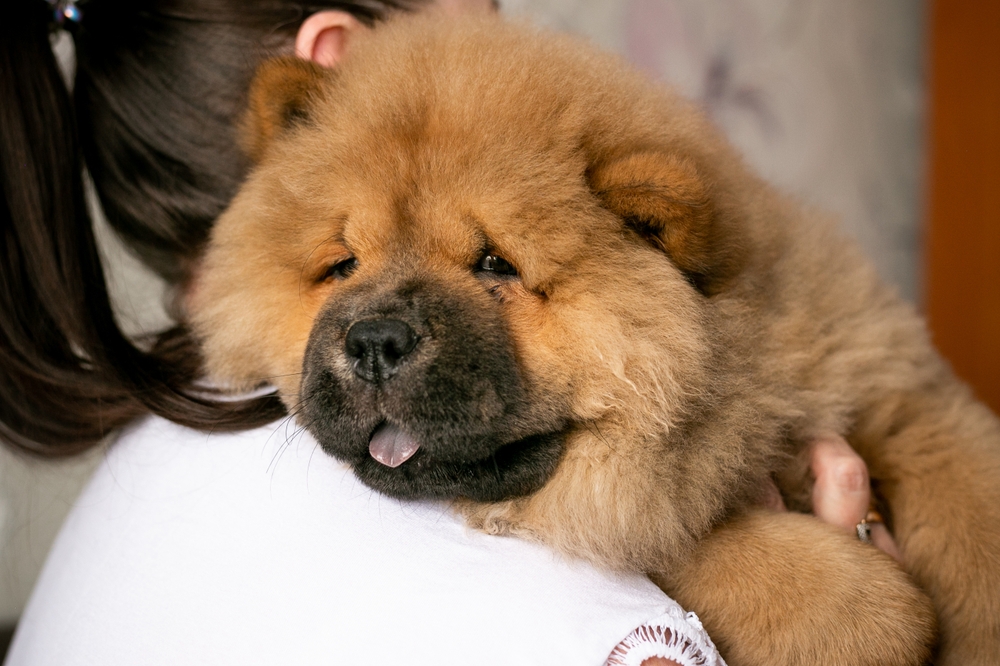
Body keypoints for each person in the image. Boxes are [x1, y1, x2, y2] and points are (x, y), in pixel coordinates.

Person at [0, 1, 898, 664]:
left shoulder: (156, 446)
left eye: (495, 270)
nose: (508, 30)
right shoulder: (593, 631)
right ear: (348, 63)